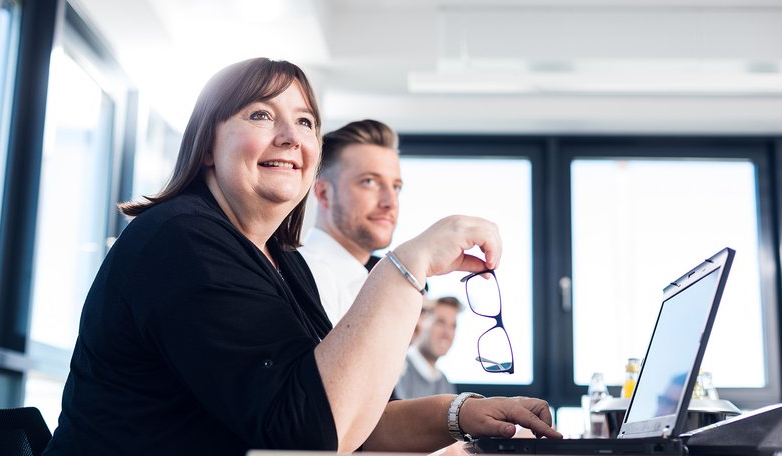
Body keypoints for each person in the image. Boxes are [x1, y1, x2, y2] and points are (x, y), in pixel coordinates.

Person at [43, 57, 561, 455]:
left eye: (306, 121)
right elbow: (308, 434)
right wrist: (410, 262)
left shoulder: (280, 259)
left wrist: (463, 413)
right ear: (207, 145)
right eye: (261, 114)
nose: (291, 136)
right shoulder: (182, 241)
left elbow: (342, 413)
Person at [299, 119, 402, 325]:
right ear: (324, 193)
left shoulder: (370, 285)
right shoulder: (308, 278)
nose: (390, 202)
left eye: (396, 187)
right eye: (369, 182)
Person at [396, 296, 462, 399]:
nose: (447, 333)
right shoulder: (398, 370)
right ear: (420, 322)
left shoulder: (443, 383)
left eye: (453, 326)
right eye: (440, 322)